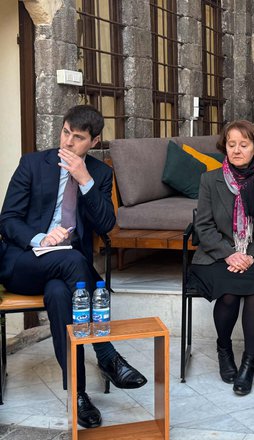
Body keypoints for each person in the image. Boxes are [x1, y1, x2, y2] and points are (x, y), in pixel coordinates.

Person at [0, 105, 147, 429]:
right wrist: (41, 238)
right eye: (65, 132)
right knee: (73, 260)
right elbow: (7, 219)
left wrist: (84, 180)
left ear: (93, 141)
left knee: (59, 294)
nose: (67, 142)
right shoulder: (33, 164)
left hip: (65, 276)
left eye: (77, 138)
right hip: (23, 262)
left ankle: (78, 394)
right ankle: (107, 354)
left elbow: (107, 224)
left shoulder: (99, 173)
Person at [189, 120, 254, 396]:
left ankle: (249, 363)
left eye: (244, 145)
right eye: (232, 145)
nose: (237, 150)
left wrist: (250, 255)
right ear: (224, 147)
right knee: (229, 293)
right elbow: (203, 226)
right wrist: (230, 254)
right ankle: (224, 349)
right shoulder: (210, 179)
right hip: (217, 254)